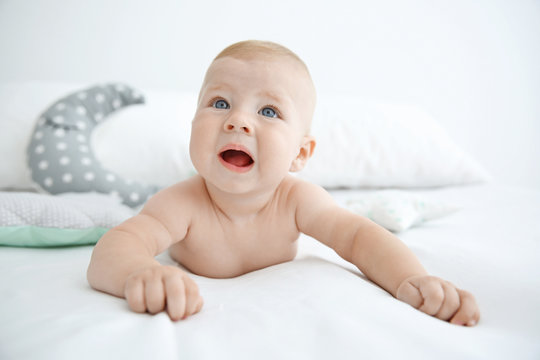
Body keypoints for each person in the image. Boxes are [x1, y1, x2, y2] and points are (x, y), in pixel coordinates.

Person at [87, 40, 480, 325]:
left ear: (300, 154)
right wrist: (139, 272)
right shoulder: (180, 203)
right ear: (193, 125)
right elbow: (117, 247)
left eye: (269, 110)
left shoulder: (298, 200)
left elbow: (357, 237)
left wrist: (411, 278)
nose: (237, 120)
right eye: (220, 103)